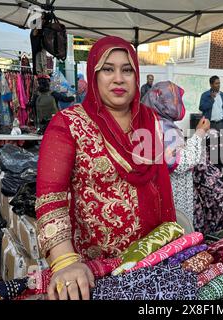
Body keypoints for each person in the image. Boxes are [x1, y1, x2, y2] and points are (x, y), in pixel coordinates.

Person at [36, 36, 176, 300]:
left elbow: (158, 187)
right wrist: (65, 261)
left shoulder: (149, 121)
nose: (119, 79)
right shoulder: (68, 124)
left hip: (150, 263)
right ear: (93, 74)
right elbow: (50, 198)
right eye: (107, 69)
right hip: (93, 271)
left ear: (137, 76)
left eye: (127, 70)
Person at [142, 80, 210, 228]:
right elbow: (182, 162)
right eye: (174, 100)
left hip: (166, 192)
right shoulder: (161, 127)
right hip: (173, 194)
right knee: (175, 235)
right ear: (164, 103)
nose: (178, 104)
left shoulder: (153, 122)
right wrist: (200, 133)